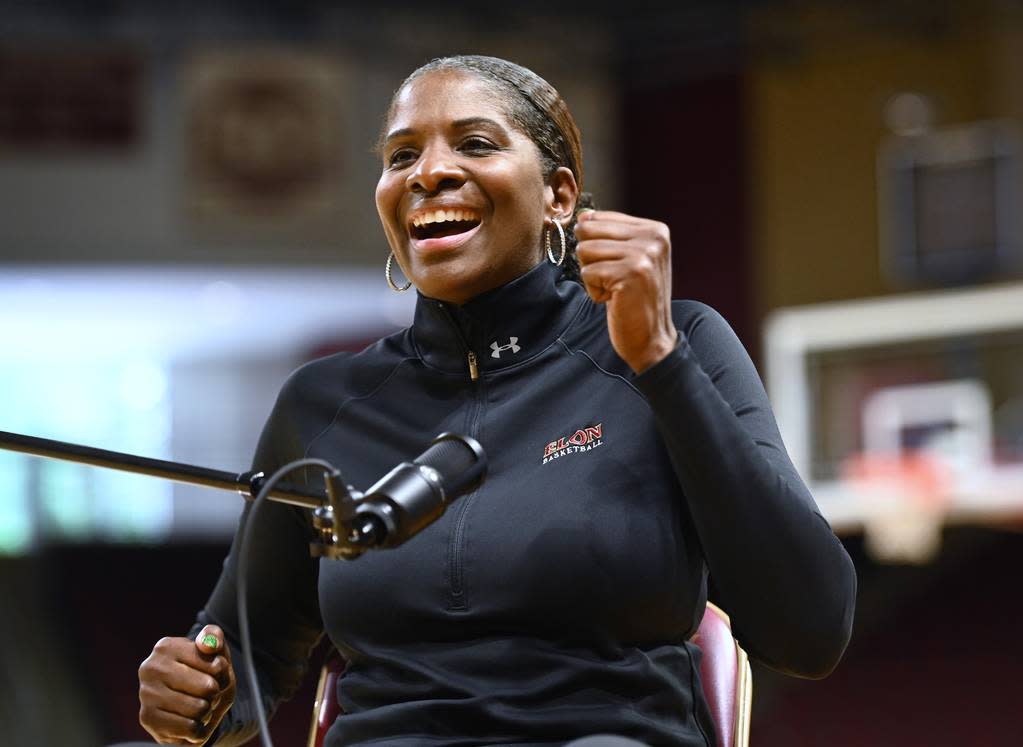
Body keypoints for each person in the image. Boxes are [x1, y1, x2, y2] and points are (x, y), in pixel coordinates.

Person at [135, 55, 857, 747]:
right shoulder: (322, 402)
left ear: (559, 196)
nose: (430, 172)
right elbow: (243, 658)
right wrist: (196, 694)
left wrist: (661, 363)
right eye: (400, 156)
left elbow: (809, 628)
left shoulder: (677, 341)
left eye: (475, 143)